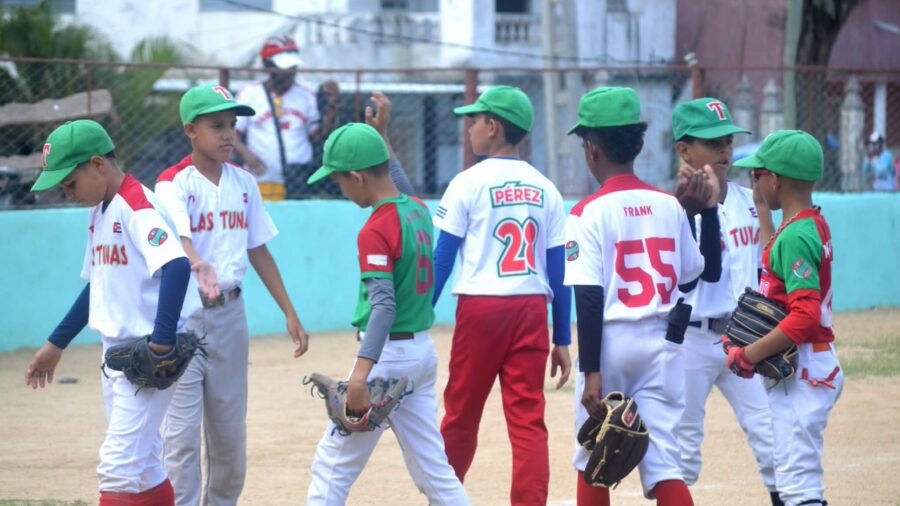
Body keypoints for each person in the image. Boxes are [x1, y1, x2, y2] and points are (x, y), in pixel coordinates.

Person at [154, 84, 311, 505]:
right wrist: (195, 262)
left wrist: (289, 311)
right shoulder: (173, 183)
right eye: (217, 126)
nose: (228, 134)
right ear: (190, 130)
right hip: (183, 319)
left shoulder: (244, 182)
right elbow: (180, 240)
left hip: (230, 317)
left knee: (229, 438)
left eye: (232, 125)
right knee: (181, 440)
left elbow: (258, 248)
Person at [24, 119, 193, 505]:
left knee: (117, 467)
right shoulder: (99, 210)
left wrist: (162, 342)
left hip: (145, 355)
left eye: (70, 183)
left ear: (98, 165)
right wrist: (56, 343)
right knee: (144, 468)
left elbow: (177, 265)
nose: (68, 193)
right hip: (114, 353)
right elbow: (97, 285)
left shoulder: (137, 205)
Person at [305, 122, 470, 506]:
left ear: (357, 177)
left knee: (331, 468)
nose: (340, 189)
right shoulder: (418, 210)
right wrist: (382, 136)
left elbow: (383, 306)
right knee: (435, 473)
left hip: (387, 359)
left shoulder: (375, 229)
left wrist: (359, 375)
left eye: (339, 181)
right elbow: (398, 181)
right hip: (420, 355)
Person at [564, 86, 705, 506]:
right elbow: (692, 273)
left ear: (591, 150)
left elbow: (589, 297)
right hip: (662, 344)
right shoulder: (670, 205)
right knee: (664, 466)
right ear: (640, 145)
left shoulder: (586, 212)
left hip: (610, 342)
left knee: (594, 455)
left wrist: (592, 372)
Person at [431, 85, 572, 505]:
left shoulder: (467, 182)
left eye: (474, 120)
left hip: (481, 307)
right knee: (528, 420)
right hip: (531, 308)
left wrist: (418, 315)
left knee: (461, 414)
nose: (469, 128)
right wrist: (562, 337)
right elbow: (560, 271)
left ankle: (444, 499)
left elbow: (442, 260)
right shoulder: (546, 188)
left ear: (493, 127)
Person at [671, 97, 782, 505]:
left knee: (771, 436)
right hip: (690, 339)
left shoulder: (748, 201)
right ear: (684, 150)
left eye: (728, 141)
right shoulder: (672, 209)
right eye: (712, 142)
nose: (724, 150)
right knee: (683, 449)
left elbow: (765, 265)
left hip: (743, 335)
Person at [731, 130, 843, 506]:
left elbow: (805, 315)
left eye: (759, 174)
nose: (756, 181)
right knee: (794, 480)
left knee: (799, 488)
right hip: (808, 363)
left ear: (775, 179)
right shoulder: (807, 223)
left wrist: (750, 354)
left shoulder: (796, 235)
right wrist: (762, 209)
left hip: (804, 365)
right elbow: (772, 257)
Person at [233, 34, 338, 200]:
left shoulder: (307, 95)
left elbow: (318, 135)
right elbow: (232, 133)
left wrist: (331, 107)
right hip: (261, 180)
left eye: (293, 66)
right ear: (267, 65)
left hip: (299, 180)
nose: (290, 72)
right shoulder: (249, 94)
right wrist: (247, 155)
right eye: (284, 67)